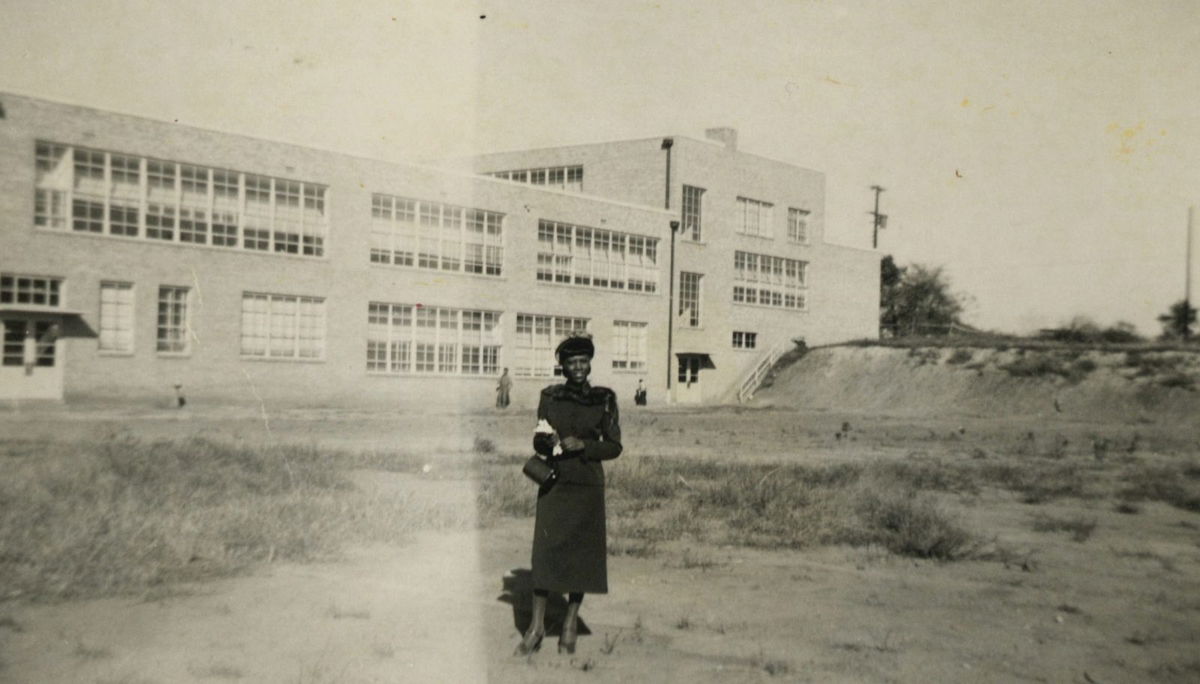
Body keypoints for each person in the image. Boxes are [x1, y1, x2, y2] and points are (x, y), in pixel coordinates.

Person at [515, 334, 622, 656]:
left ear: (590, 363)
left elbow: (615, 446)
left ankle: (569, 624)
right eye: (571, 362)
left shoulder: (604, 399)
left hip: (587, 483)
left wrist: (586, 445)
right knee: (546, 553)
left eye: (583, 361)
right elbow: (539, 437)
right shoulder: (550, 397)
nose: (578, 367)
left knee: (581, 558)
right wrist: (545, 443)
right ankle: (535, 628)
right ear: (561, 366)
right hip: (555, 483)